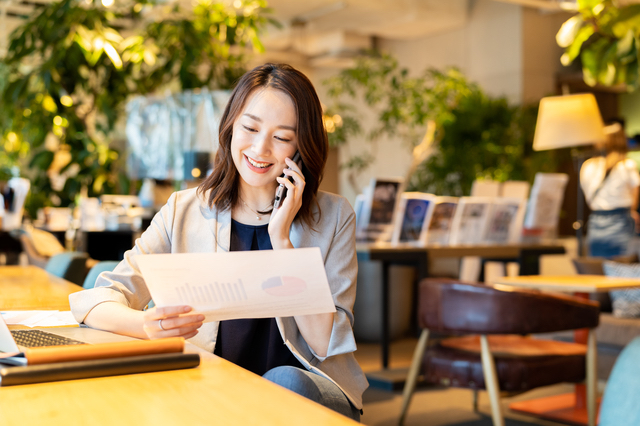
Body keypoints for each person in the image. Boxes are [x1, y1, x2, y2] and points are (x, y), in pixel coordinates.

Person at [70, 63, 368, 420]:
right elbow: (94, 301)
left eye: (282, 137)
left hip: (306, 392)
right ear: (230, 127)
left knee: (285, 381)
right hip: (211, 390)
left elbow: (325, 342)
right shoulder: (184, 209)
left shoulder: (334, 216)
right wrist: (147, 326)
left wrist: (282, 241)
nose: (261, 148)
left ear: (302, 146)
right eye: (251, 127)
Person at [580, 122, 640, 258]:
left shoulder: (587, 166)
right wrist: (633, 211)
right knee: (621, 268)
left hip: (596, 219)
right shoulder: (627, 165)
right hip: (621, 220)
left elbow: (587, 195)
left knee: (597, 267)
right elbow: (635, 193)